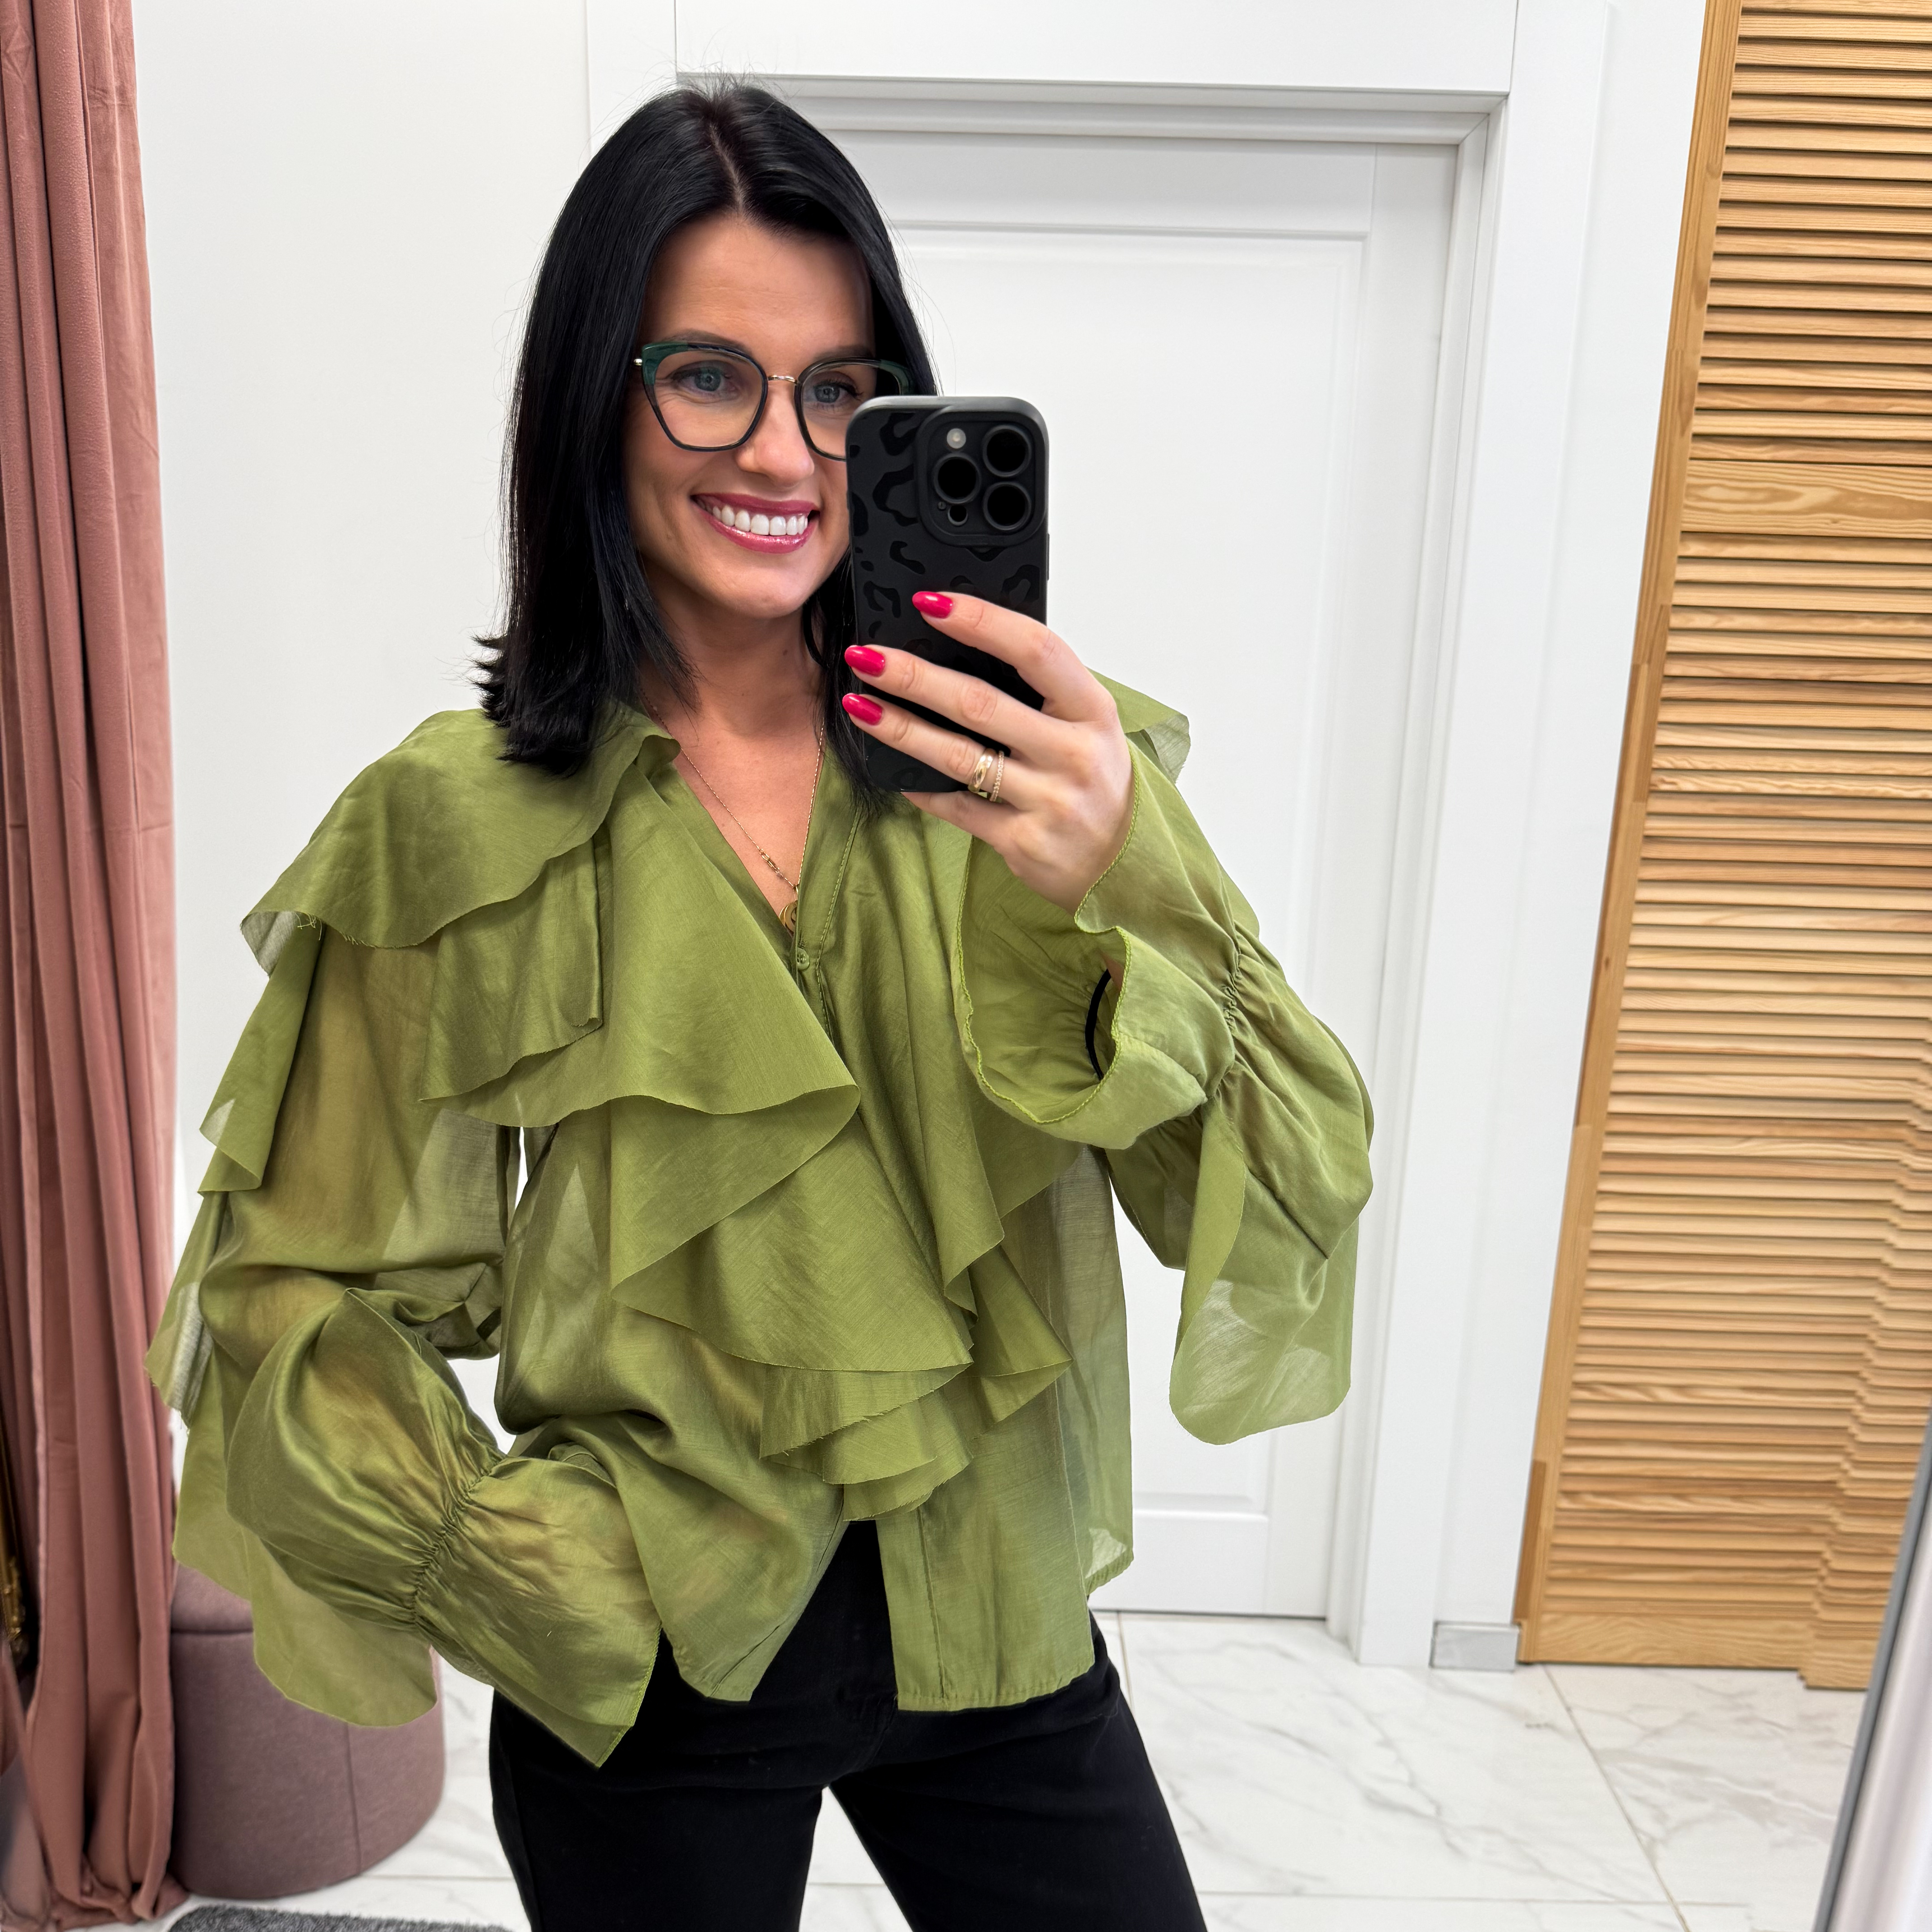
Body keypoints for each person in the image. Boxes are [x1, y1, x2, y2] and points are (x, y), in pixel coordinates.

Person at [148, 80, 1373, 1932]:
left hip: (999, 1624)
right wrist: (520, 1558)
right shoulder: (451, 822)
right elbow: (289, 1290)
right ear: (598, 395)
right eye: (709, 376)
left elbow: (1275, 1191)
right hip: (659, 1673)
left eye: (841, 389)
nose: (786, 453)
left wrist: (1121, 881)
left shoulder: (1043, 764)